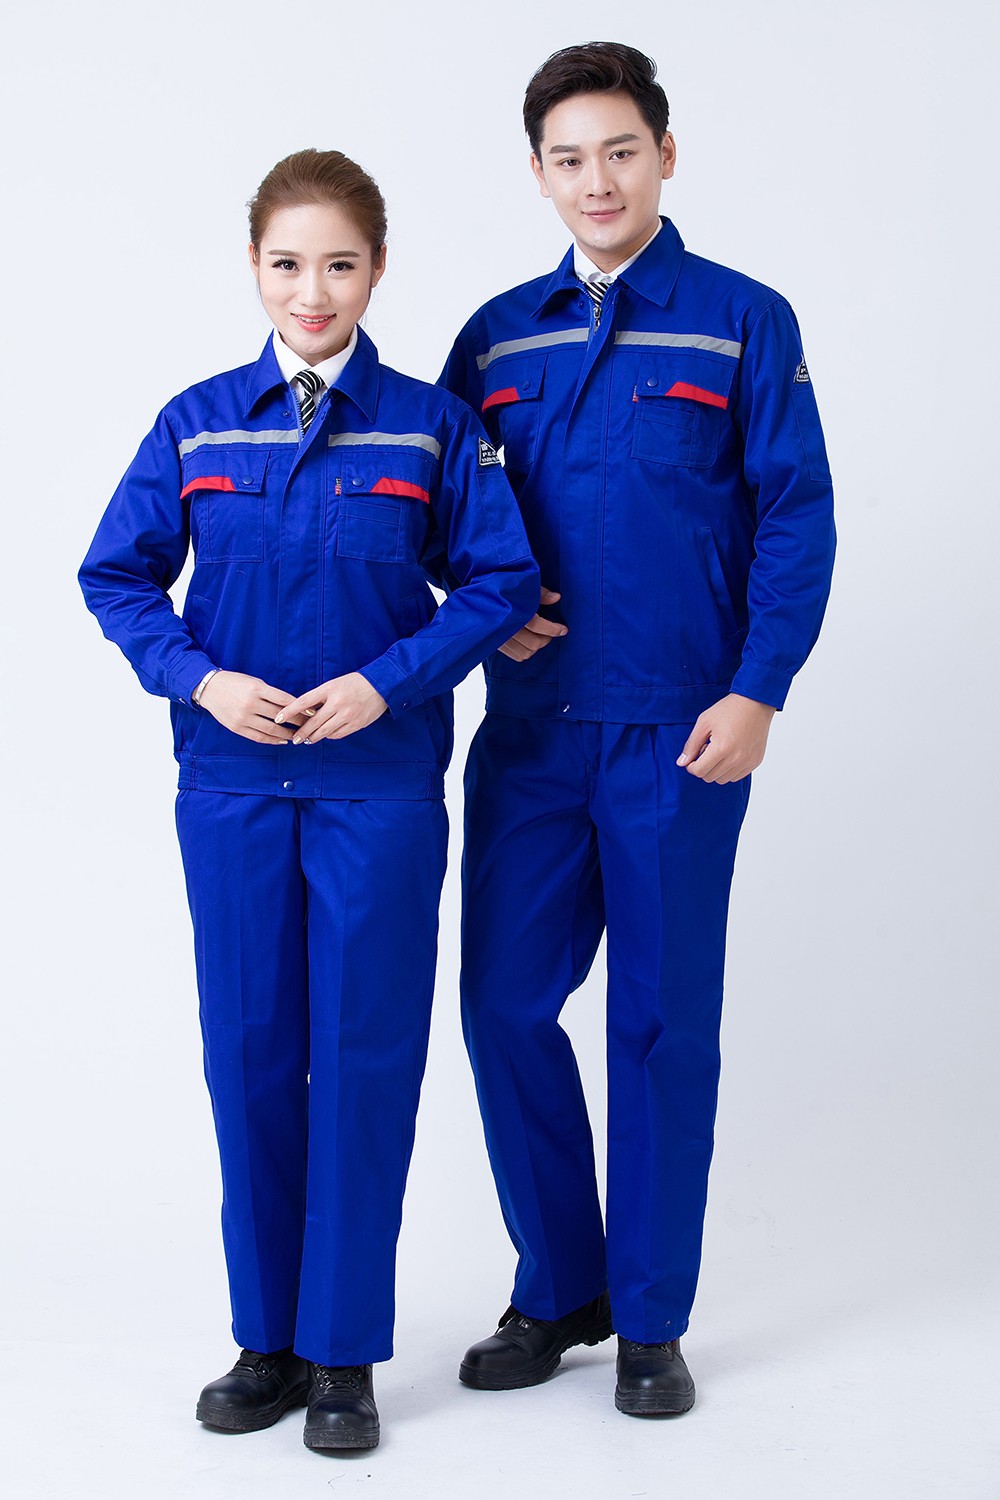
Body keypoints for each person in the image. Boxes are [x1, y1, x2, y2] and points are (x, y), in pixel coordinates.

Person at [79, 148, 539, 1453]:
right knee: (249, 1056)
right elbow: (115, 574)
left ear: (377, 269)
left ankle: (342, 1356)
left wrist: (386, 683)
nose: (313, 290)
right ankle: (265, 1343)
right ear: (254, 267)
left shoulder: (429, 427)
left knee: (363, 1062)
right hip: (230, 786)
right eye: (288, 263)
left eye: (339, 263)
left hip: (376, 792)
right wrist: (200, 678)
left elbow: (502, 582)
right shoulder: (197, 422)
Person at [438, 42, 835, 1416]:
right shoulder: (498, 337)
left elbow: (795, 512)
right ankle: (563, 1286)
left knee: (661, 1024)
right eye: (569, 158)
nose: (596, 179)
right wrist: (481, 611)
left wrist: (759, 687)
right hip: (533, 735)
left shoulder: (741, 320)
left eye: (620, 150)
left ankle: (653, 1317)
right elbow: (432, 504)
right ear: (538, 174)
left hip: (682, 732)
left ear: (665, 155)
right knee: (502, 1006)